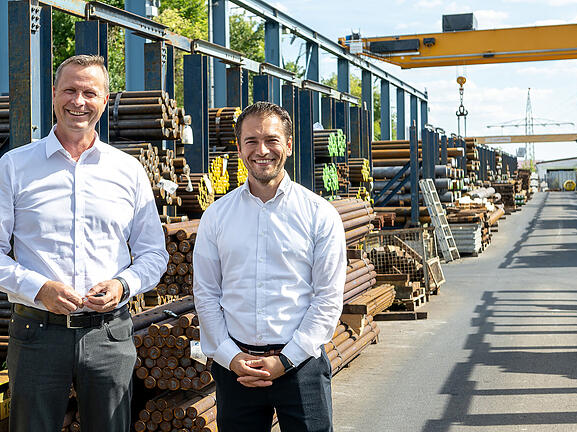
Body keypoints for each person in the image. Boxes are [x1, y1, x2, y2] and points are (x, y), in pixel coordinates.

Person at [0, 54, 168, 431]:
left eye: (89, 92)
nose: (79, 101)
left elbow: (153, 254)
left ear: (105, 100)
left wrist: (123, 284)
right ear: (54, 95)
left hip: (108, 335)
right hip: (37, 335)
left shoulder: (127, 171)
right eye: (70, 90)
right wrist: (39, 287)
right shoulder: (14, 166)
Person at [193, 101, 346, 431]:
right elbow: (206, 295)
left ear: (288, 145)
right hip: (237, 369)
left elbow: (328, 299)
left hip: (300, 365)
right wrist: (230, 357)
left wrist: (285, 359)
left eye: (272, 140)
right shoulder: (216, 217)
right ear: (239, 148)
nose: (261, 150)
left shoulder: (319, 215)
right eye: (251, 141)